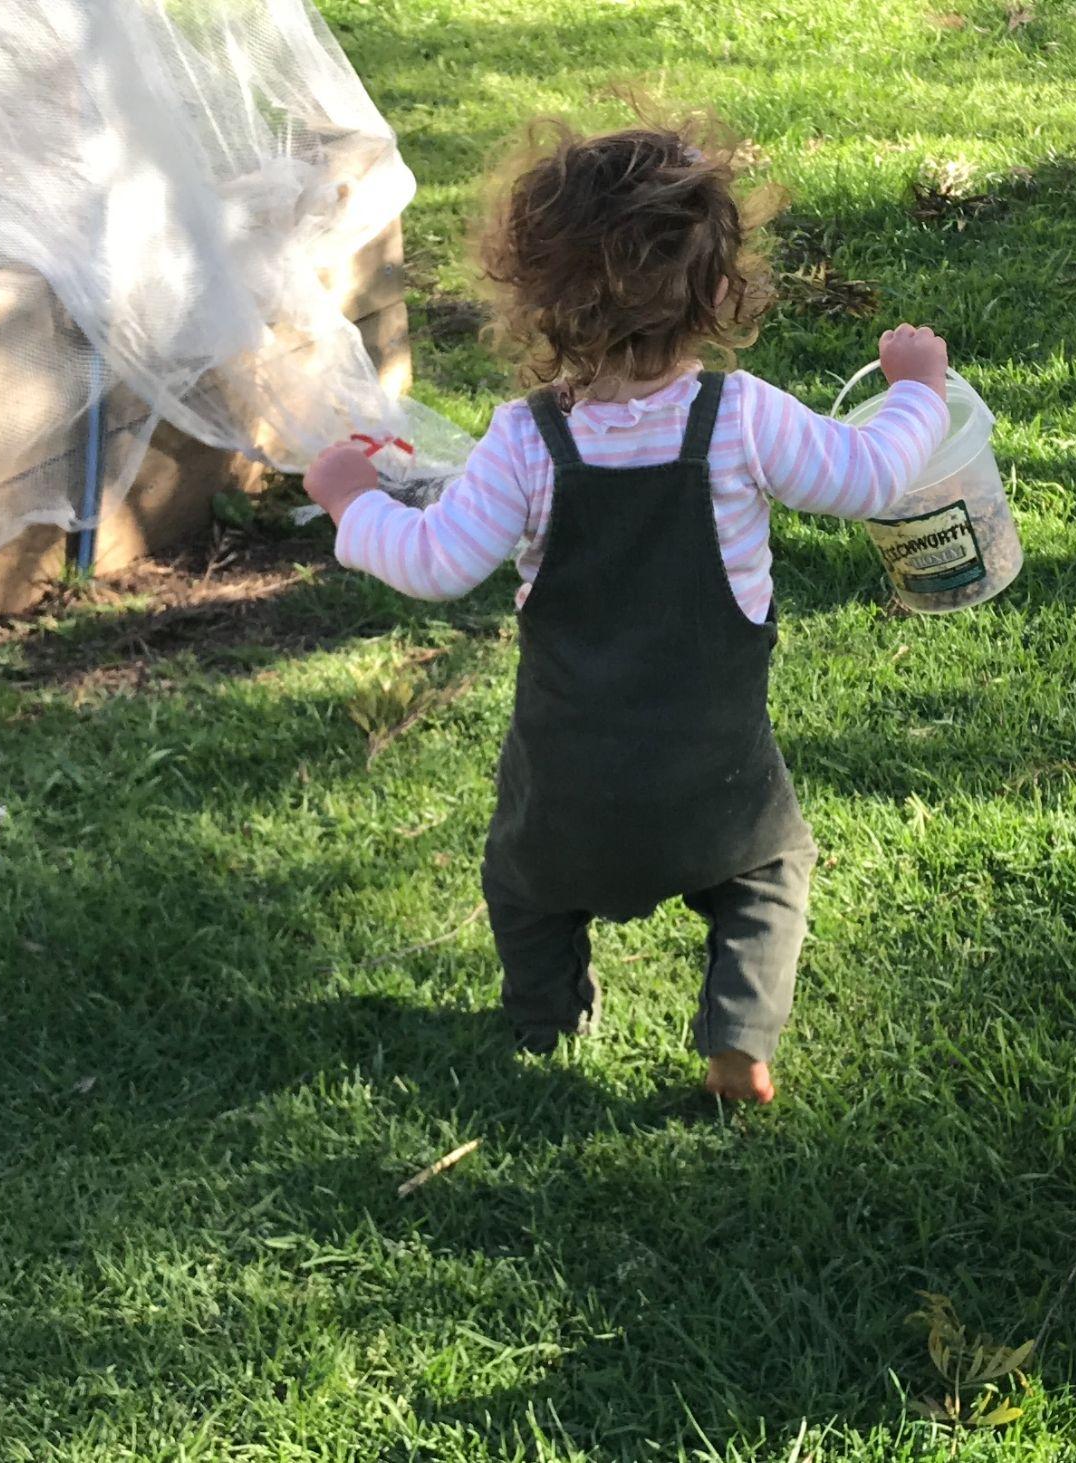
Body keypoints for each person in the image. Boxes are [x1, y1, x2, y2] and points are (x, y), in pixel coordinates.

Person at [301, 117, 952, 1103]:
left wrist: (352, 501)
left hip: (568, 784)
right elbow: (866, 476)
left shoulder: (524, 440)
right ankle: (736, 1038)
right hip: (714, 777)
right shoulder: (741, 415)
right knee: (769, 872)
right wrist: (915, 391)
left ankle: (543, 1015)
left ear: (534, 298)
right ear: (720, 288)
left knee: (523, 887)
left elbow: (435, 561)